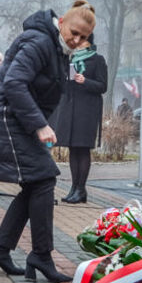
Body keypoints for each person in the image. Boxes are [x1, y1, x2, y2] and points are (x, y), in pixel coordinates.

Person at [0, 0, 96, 283]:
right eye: (74, 32)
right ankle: (40, 255)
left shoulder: (58, 49)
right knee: (44, 179)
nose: (76, 40)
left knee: (35, 184)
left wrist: (38, 123)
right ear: (62, 20)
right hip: (2, 116)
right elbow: (14, 83)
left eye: (83, 38)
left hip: (16, 118)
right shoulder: (41, 41)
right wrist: (40, 126)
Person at [48, 38, 107, 203]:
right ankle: (74, 188)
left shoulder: (97, 59)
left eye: (79, 40)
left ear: (87, 42)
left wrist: (85, 81)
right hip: (71, 111)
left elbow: (103, 86)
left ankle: (81, 189)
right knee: (73, 150)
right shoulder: (71, 59)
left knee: (83, 149)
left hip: (87, 111)